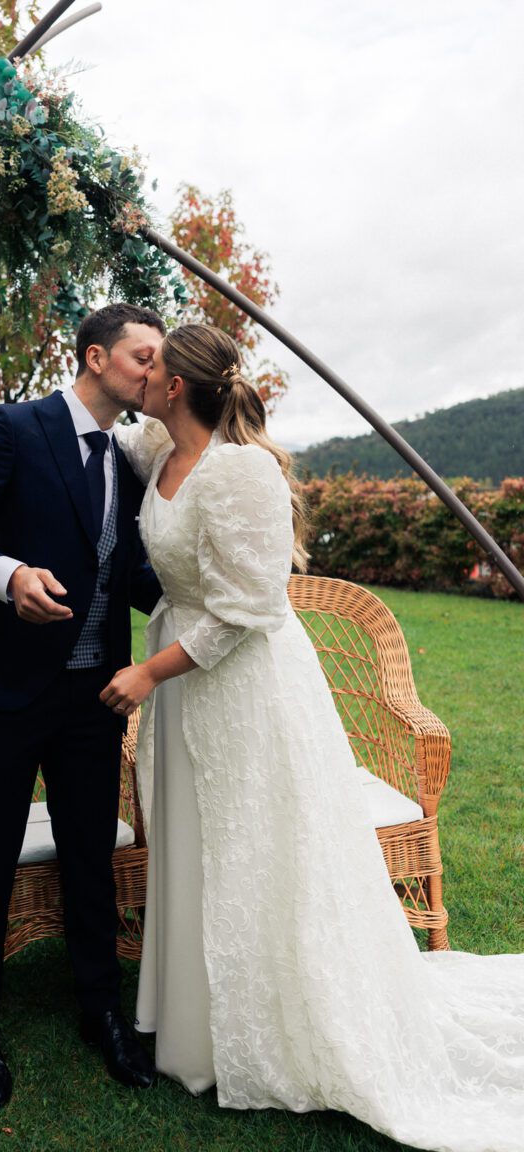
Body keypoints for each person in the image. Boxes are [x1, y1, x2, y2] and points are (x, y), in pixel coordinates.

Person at [101, 323, 524, 1151]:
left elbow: (252, 608)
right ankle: (197, 1021)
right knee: (194, 841)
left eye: (153, 367)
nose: (141, 378)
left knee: (257, 844)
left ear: (179, 386)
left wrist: (149, 675)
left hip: (243, 687)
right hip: (184, 684)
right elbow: (100, 434)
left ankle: (285, 1025)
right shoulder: (157, 454)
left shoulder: (242, 470)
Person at [0, 303, 164, 1110]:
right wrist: (8, 575)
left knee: (90, 850)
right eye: (142, 357)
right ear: (95, 357)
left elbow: (126, 572)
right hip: (2, 692)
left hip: (96, 694)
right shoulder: (14, 428)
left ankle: (100, 1008)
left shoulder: (131, 459)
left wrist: (207, 600)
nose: (154, 372)